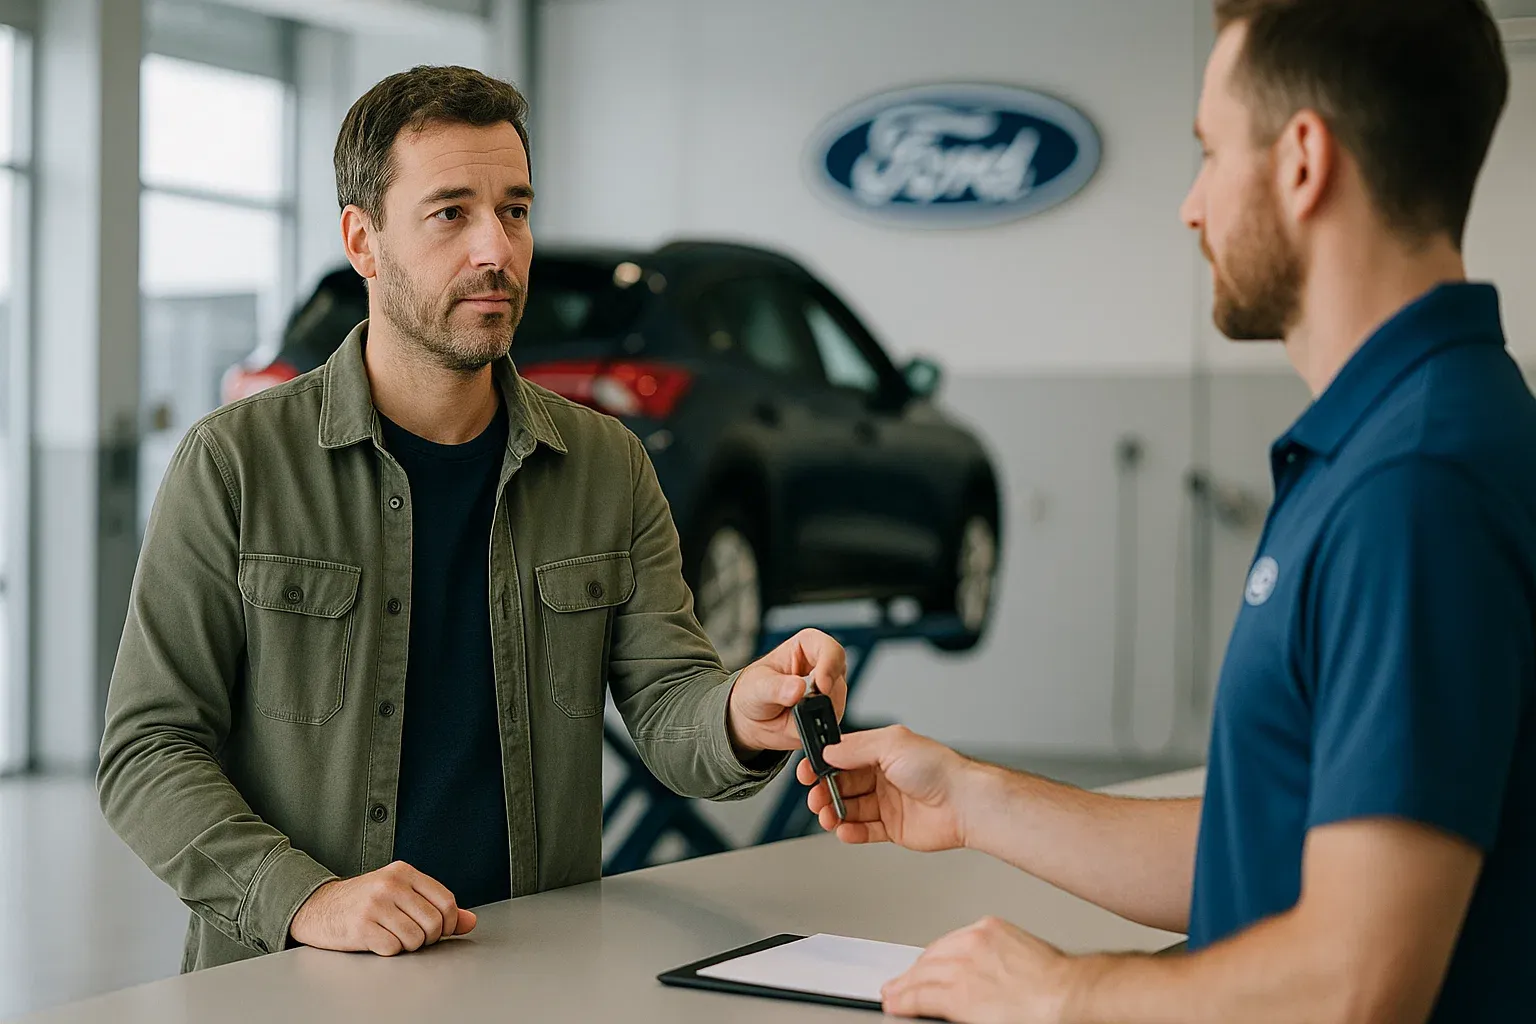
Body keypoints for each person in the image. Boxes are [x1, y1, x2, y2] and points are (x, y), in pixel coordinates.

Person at [800, 2, 1530, 1021]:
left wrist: (1065, 992)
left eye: (1210, 152)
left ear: (1302, 160)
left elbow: (1356, 984)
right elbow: (1270, 842)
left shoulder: (1416, 481)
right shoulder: (1392, 438)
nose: (1191, 206)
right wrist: (970, 796)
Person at [99, 64, 847, 973]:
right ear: (363, 241)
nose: (497, 249)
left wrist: (739, 710)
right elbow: (148, 750)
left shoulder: (606, 466)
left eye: (516, 210)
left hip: (532, 970)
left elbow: (665, 702)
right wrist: (307, 899)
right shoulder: (235, 466)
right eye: (451, 212)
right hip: (295, 980)